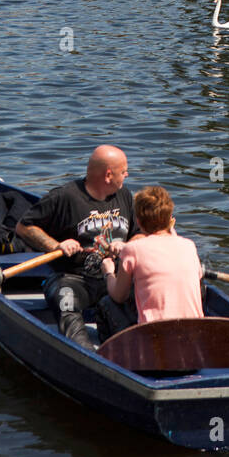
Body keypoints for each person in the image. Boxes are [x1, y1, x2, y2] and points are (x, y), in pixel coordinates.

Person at [16, 146, 139, 349]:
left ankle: (135, 344)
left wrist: (126, 245)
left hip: (115, 277)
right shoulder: (65, 197)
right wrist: (56, 245)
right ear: (108, 175)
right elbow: (24, 226)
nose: (127, 175)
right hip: (74, 279)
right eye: (123, 171)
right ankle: (85, 353)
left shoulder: (124, 195)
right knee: (66, 302)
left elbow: (139, 233)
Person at [102, 186, 203, 325]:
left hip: (154, 334)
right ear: (170, 219)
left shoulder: (132, 250)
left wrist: (108, 273)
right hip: (195, 329)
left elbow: (119, 296)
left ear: (138, 222)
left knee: (106, 303)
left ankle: (111, 346)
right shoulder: (189, 245)